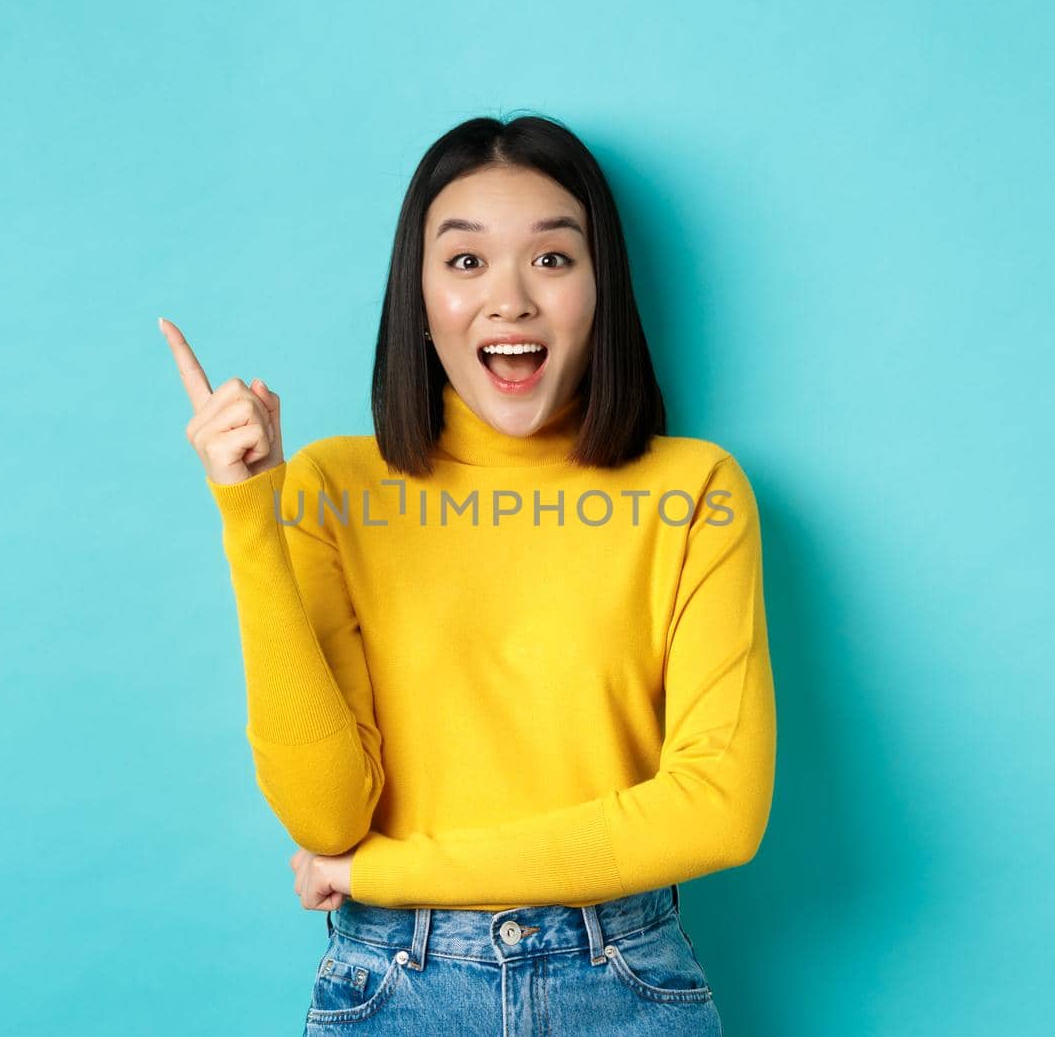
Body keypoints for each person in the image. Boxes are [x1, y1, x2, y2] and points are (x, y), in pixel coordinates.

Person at [160, 113, 775, 1035]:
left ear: (601, 289)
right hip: (394, 986)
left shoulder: (695, 492)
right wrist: (251, 512)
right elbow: (329, 813)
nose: (511, 299)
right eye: (465, 261)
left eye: (554, 259)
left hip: (623, 983)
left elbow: (718, 812)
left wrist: (385, 873)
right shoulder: (334, 484)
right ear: (419, 296)